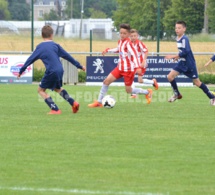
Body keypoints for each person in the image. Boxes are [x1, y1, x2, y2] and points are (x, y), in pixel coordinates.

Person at [18, 25, 85, 114]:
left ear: (42, 36)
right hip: (60, 70)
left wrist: (21, 71)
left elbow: (30, 60)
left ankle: (55, 109)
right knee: (58, 89)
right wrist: (79, 66)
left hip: (51, 71)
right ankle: (73, 103)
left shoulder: (40, 47)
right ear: (52, 35)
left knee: (41, 90)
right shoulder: (56, 46)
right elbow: (68, 56)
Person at [88, 23, 153, 107]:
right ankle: (99, 102)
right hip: (120, 68)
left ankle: (147, 92)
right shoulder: (120, 41)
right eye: (121, 33)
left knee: (129, 90)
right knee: (106, 82)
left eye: (124, 33)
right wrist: (108, 50)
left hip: (128, 70)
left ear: (128, 34)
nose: (122, 35)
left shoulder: (128, 43)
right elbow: (118, 49)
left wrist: (138, 67)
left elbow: (135, 54)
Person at [165, 20, 215, 104]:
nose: (177, 29)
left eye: (179, 28)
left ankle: (212, 97)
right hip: (182, 63)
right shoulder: (178, 38)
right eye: (176, 28)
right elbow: (182, 52)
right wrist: (178, 57)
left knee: (197, 83)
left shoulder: (184, 39)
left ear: (184, 29)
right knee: (170, 77)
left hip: (189, 64)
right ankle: (177, 94)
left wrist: (175, 56)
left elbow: (186, 51)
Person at [130, 29, 158, 98]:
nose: (133, 37)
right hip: (134, 64)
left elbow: (146, 51)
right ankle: (134, 94)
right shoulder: (129, 44)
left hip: (141, 64)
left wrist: (143, 61)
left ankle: (152, 82)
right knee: (130, 76)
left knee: (140, 80)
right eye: (132, 36)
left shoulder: (139, 43)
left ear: (137, 36)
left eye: (135, 36)